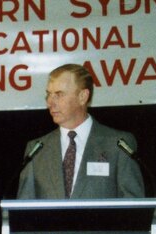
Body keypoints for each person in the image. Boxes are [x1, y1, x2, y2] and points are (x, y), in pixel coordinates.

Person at [17, 63, 145, 199]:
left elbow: (133, 208)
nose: (50, 102)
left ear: (83, 97)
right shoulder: (36, 150)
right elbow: (24, 210)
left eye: (59, 95)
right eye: (49, 94)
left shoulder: (118, 145)